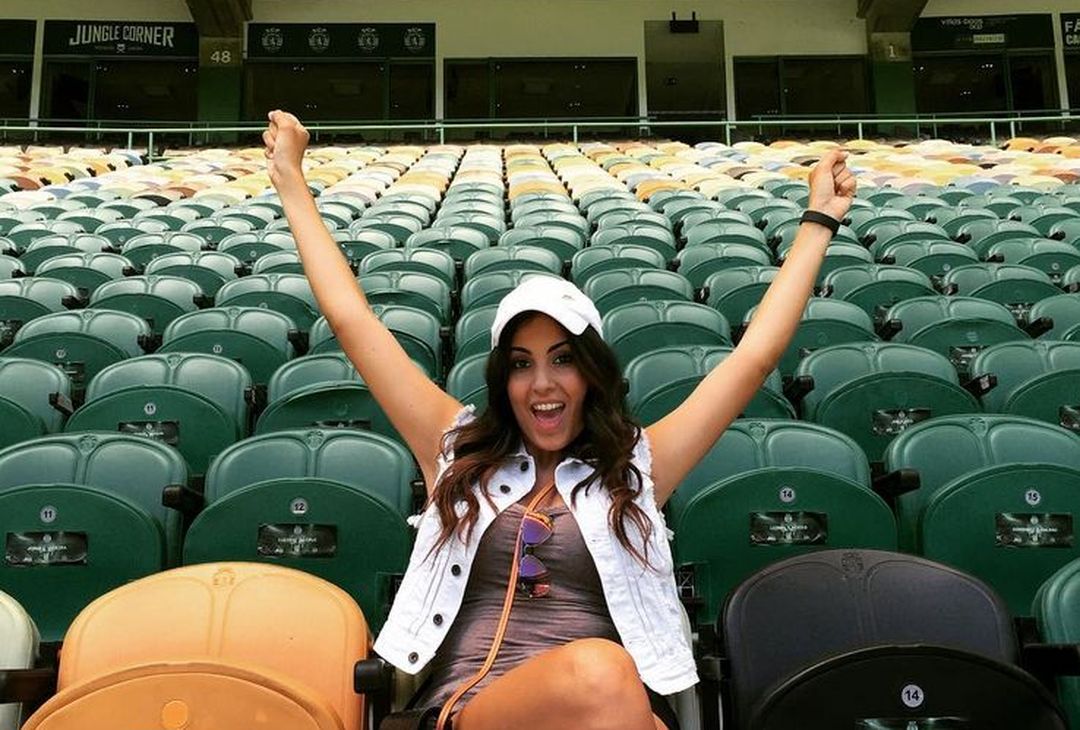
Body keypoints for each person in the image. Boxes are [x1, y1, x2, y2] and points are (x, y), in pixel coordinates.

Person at [263, 110, 856, 730]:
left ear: (592, 373)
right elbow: (353, 320)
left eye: (563, 359)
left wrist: (819, 220)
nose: (542, 384)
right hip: (474, 708)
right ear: (504, 380)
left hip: (610, 712)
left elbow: (754, 357)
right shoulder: (455, 447)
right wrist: (291, 183)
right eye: (522, 364)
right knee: (601, 672)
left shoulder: (637, 465)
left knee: (613, 688)